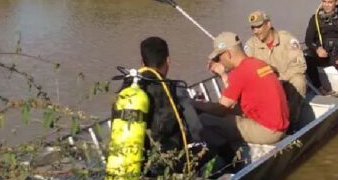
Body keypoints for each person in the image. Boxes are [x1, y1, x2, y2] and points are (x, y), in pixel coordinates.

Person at [194, 31, 289, 149]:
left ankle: (228, 157)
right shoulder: (258, 63)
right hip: (281, 125)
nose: (219, 61)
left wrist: (193, 104)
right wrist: (223, 75)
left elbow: (221, 109)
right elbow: (233, 95)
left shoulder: (239, 73)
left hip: (269, 131)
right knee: (232, 110)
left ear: (228, 54)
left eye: (218, 58)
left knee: (205, 119)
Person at [121, 36, 196, 171]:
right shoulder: (170, 89)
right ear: (168, 60)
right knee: (217, 158)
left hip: (135, 165)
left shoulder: (129, 88)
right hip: (166, 165)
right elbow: (194, 128)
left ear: (142, 63)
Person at [243, 10, 307, 128]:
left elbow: (299, 66)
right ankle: (256, 124)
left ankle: (292, 123)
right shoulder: (250, 45)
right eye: (253, 28)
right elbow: (246, 70)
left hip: (287, 82)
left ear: (268, 24)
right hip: (265, 86)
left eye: (258, 27)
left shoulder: (287, 39)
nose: (255, 31)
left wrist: (280, 80)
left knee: (299, 81)